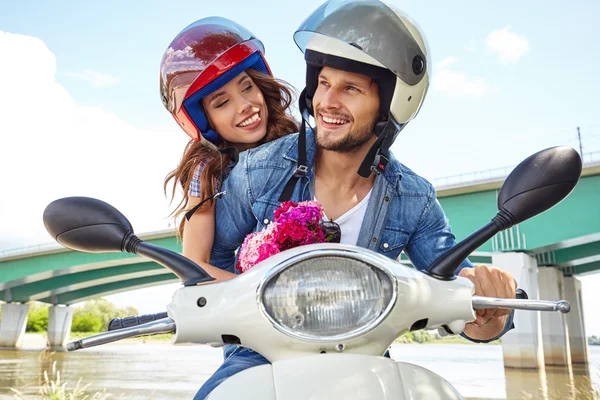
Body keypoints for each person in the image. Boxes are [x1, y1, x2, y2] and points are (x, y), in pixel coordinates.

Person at [196, 1, 517, 398]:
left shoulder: (413, 198)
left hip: (364, 363)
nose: (327, 101)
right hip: (257, 358)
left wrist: (486, 300)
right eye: (324, 83)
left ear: (389, 104)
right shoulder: (256, 171)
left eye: (350, 88)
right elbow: (211, 262)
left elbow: (457, 289)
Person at [159, 17, 298, 280]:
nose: (245, 105)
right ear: (205, 121)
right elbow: (194, 266)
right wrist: (265, 293)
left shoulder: (297, 146)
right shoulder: (207, 170)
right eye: (222, 103)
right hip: (233, 300)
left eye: (247, 87)